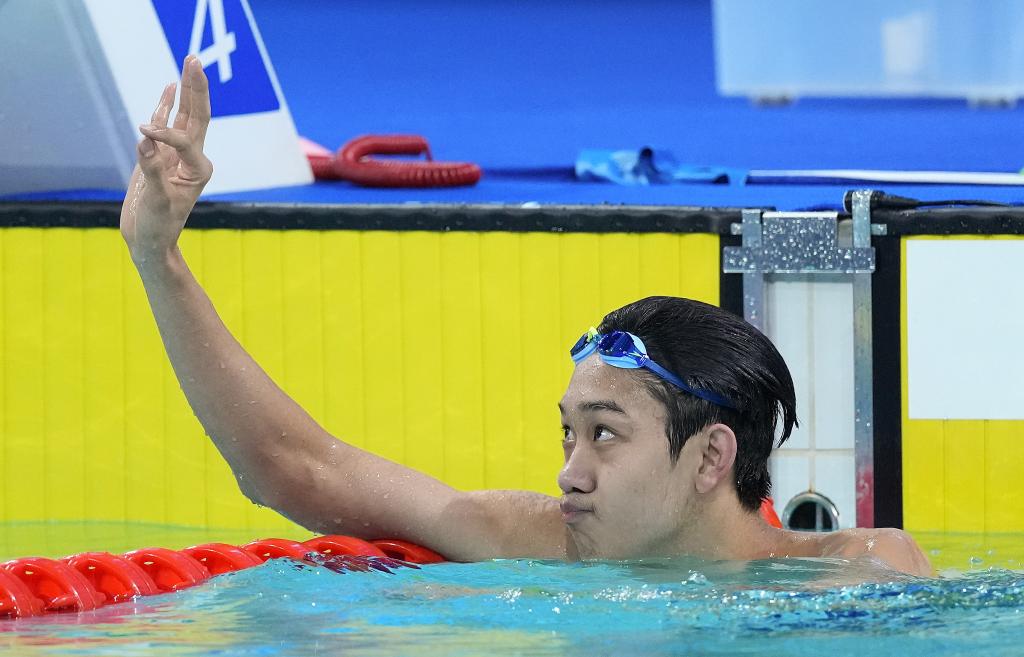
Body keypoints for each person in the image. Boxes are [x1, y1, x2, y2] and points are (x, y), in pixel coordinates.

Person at [121, 56, 932, 577]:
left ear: (711, 455)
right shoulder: (545, 541)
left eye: (604, 434)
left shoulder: (857, 571)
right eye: (568, 434)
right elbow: (298, 469)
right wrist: (158, 257)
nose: (569, 472)